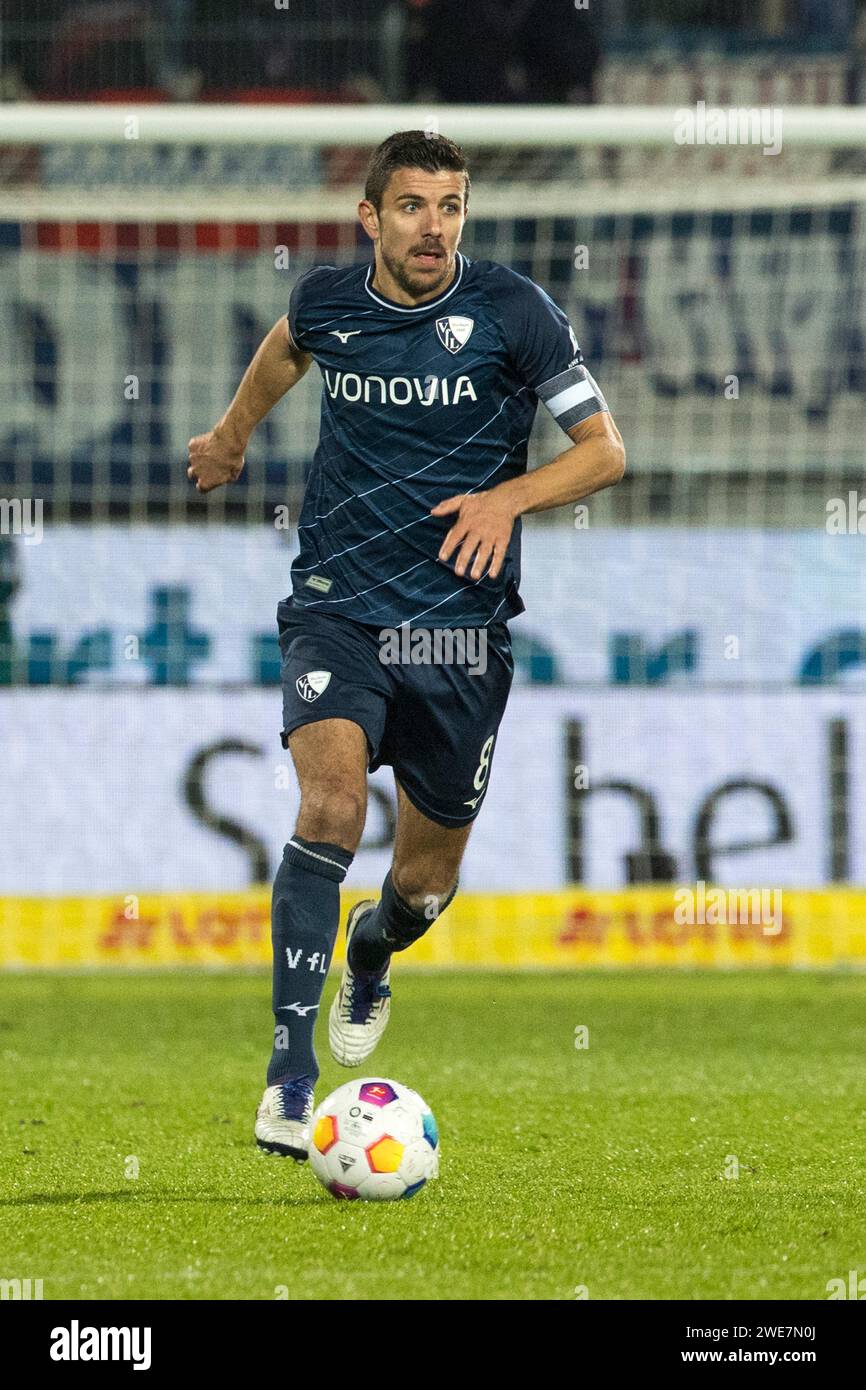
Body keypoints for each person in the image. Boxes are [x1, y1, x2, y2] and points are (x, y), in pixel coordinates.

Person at [187, 131, 625, 1160]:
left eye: (452, 206)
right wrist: (233, 434)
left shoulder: (513, 313)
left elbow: (604, 451)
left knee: (422, 885)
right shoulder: (329, 302)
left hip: (462, 638)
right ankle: (289, 1079)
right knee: (330, 801)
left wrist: (507, 499)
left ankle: (372, 953)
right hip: (337, 608)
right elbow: (284, 347)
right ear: (370, 218)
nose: (435, 226)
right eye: (415, 206)